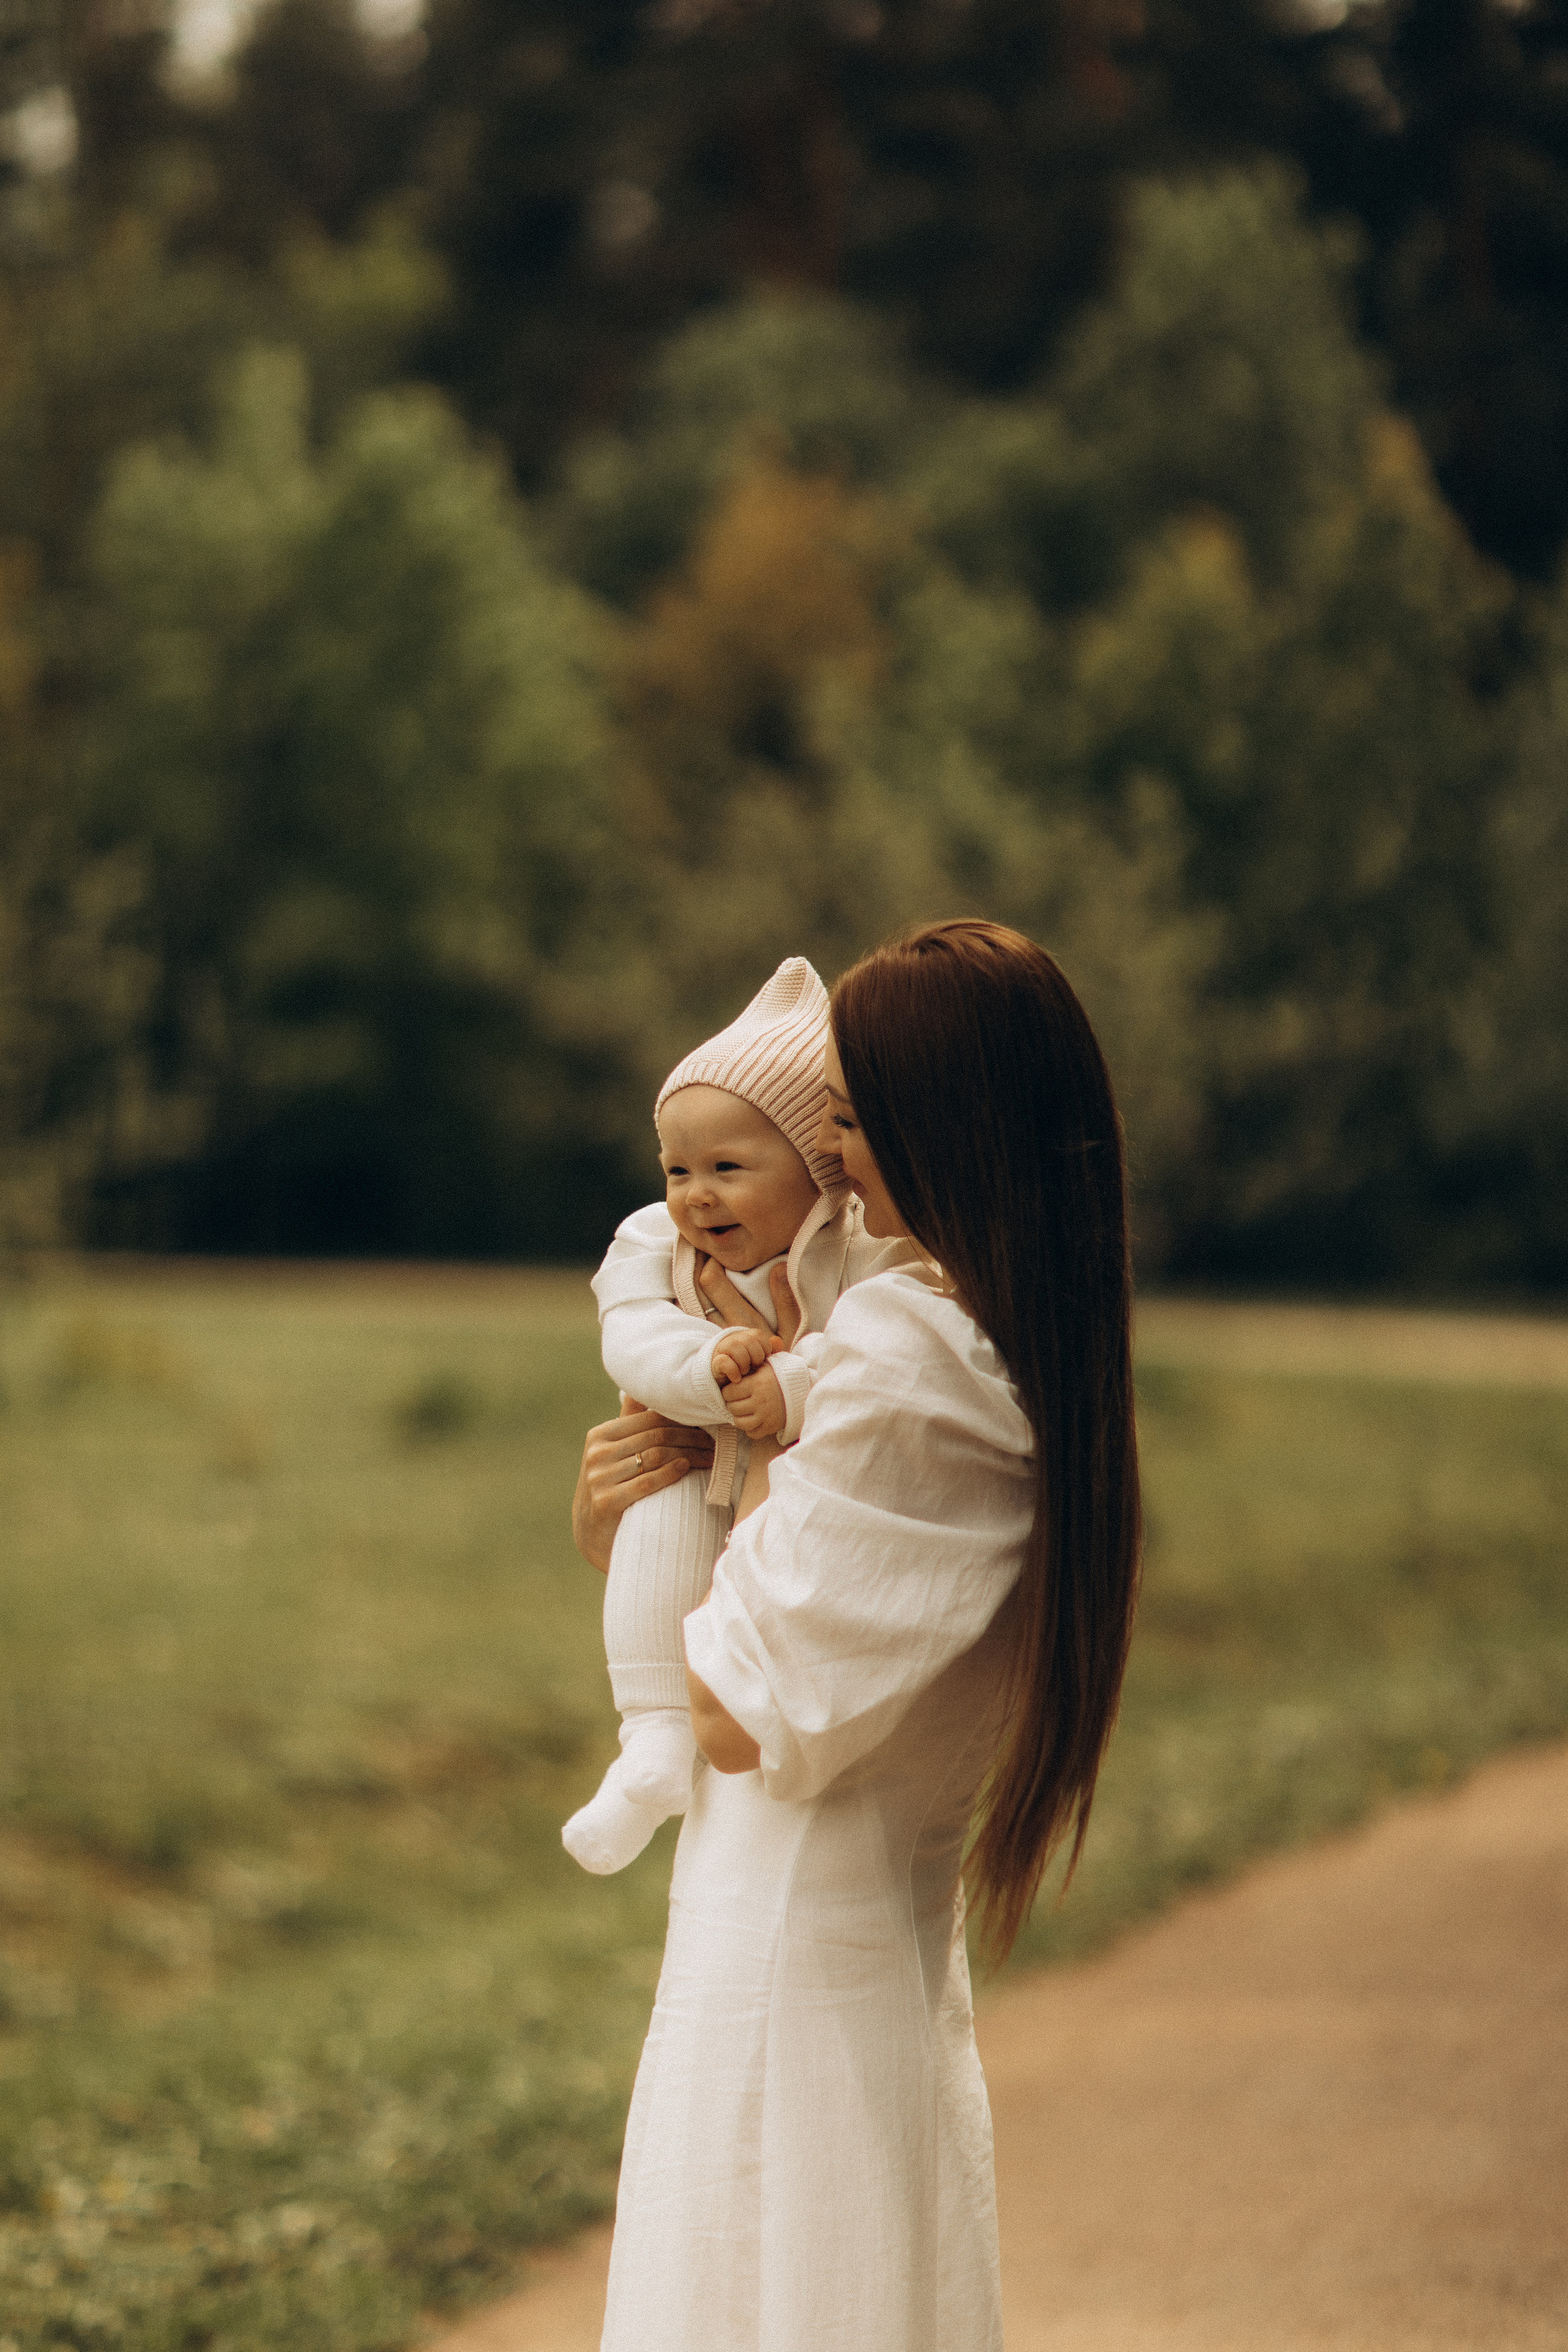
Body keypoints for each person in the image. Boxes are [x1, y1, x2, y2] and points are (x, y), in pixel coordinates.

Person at [574, 919, 1142, 2352]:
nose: (824, 1160)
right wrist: (635, 1521)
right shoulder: (1001, 1346)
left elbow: (736, 1711)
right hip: (852, 1971)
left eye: (845, 1120)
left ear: (938, 1132)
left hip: (790, 1986)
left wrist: (737, 1461)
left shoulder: (902, 1358)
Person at [563, 958, 919, 1875]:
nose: (696, 1194)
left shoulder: (865, 1259)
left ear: (816, 1172)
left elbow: (868, 1355)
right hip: (693, 1460)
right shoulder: (656, 1242)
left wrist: (790, 1387)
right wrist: (705, 1370)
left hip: (804, 1565)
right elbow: (630, 1333)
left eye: (727, 1168)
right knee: (657, 1520)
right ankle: (650, 1743)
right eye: (677, 1170)